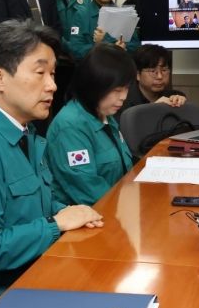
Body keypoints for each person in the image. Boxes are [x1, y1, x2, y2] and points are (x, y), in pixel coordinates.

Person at [0, 20, 103, 293]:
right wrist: (55, 224)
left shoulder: (24, 132)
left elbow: (32, 203)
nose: (52, 86)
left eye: (53, 74)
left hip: (36, 272)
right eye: (40, 73)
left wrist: (67, 211)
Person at [45, 44, 135, 205]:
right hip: (93, 217)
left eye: (127, 88)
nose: (123, 97)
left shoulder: (103, 113)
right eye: (117, 90)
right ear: (95, 85)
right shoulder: (70, 126)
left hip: (117, 206)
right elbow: (88, 189)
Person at [70, 0, 141, 59]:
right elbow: (75, 49)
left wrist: (119, 47)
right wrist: (105, 47)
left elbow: (136, 46)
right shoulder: (81, 14)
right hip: (91, 71)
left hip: (119, 70)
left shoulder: (124, 14)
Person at [119, 44, 187, 119]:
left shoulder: (174, 97)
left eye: (164, 70)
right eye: (153, 71)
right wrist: (153, 109)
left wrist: (181, 106)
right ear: (137, 74)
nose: (160, 76)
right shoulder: (122, 101)